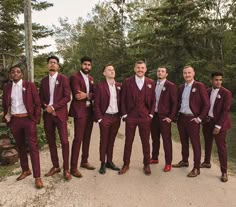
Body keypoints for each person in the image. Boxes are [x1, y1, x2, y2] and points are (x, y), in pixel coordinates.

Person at [2, 66, 43, 189]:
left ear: (21, 74)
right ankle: (25, 170)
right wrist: (7, 116)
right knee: (20, 147)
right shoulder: (7, 87)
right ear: (10, 75)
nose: (15, 73)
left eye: (18, 72)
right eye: (13, 72)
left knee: (33, 147)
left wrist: (35, 119)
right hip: (15, 120)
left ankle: (37, 177)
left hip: (28, 120)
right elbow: (5, 103)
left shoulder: (29, 85)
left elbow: (37, 103)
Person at [119, 60, 156, 175]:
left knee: (146, 142)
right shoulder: (127, 82)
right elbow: (122, 99)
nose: (140, 70)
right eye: (138, 68)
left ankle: (146, 164)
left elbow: (154, 100)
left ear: (145, 69)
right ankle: (126, 164)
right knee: (128, 141)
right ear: (135, 69)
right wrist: (125, 114)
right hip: (131, 117)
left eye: (142, 68)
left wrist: (150, 114)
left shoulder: (150, 82)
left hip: (145, 117)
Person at [172, 66, 209, 177]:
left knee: (195, 144)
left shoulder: (199, 86)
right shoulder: (181, 87)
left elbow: (206, 104)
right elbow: (178, 102)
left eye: (189, 72)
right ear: (183, 74)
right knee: (184, 142)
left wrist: (199, 118)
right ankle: (184, 160)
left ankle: (196, 168)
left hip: (193, 119)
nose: (187, 75)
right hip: (182, 118)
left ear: (193, 73)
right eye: (185, 73)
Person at [39, 56, 71, 180]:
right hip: (48, 116)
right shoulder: (43, 81)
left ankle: (66, 169)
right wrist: (45, 107)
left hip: (60, 115)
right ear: (47, 65)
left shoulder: (63, 79)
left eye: (55, 63)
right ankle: (55, 166)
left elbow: (67, 97)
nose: (52, 64)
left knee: (64, 141)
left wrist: (54, 107)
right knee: (51, 141)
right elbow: (40, 98)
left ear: (58, 66)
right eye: (50, 62)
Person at [201, 71, 232, 182]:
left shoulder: (226, 93)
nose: (218, 82)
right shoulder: (207, 91)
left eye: (220, 80)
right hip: (207, 122)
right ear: (211, 80)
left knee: (221, 148)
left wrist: (218, 126)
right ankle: (207, 162)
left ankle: (224, 172)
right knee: (207, 143)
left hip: (220, 124)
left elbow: (225, 111)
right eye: (216, 80)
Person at [69, 56, 95, 178]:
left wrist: (88, 95)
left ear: (91, 66)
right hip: (79, 112)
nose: (87, 67)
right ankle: (73, 167)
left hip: (90, 111)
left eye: (89, 65)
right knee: (78, 138)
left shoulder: (91, 79)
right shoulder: (74, 77)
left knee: (87, 137)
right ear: (81, 65)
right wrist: (89, 95)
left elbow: (95, 94)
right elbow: (77, 95)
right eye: (85, 64)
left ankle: (84, 161)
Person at [94, 64, 121, 174]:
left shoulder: (119, 86)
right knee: (104, 141)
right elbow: (96, 104)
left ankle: (110, 161)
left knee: (111, 141)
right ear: (104, 73)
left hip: (116, 117)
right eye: (109, 70)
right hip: (105, 117)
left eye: (113, 70)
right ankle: (103, 163)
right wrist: (100, 118)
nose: (112, 71)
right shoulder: (100, 86)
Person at [150, 66, 178, 172]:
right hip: (154, 116)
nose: (160, 73)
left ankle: (168, 163)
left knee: (166, 140)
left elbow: (174, 103)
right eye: (158, 71)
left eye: (162, 71)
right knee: (154, 139)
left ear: (166, 74)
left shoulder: (171, 86)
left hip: (164, 117)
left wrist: (170, 117)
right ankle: (154, 158)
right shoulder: (152, 84)